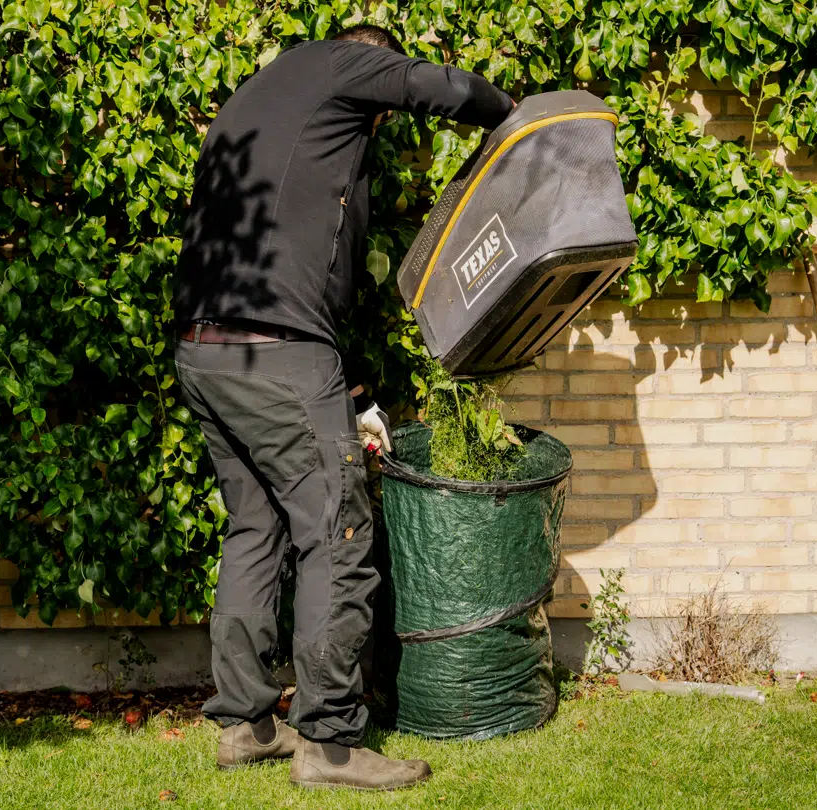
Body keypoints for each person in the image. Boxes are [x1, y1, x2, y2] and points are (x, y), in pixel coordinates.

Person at [171, 24, 514, 791]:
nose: (381, 121)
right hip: (277, 349)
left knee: (254, 529)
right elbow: (441, 87)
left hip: (204, 347)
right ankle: (329, 742)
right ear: (371, 59)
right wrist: (517, 114)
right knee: (337, 531)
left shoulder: (255, 101)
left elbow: (309, 266)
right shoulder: (344, 62)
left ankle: (244, 723)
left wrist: (349, 385)